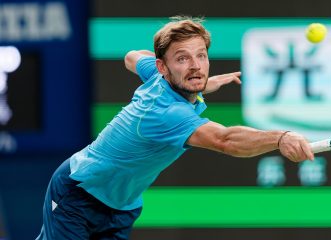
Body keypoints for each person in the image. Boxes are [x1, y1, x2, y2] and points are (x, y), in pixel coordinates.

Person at [36, 16, 314, 239]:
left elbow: (132, 57)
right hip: (78, 192)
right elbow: (225, 140)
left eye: (201, 56)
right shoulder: (165, 112)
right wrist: (281, 137)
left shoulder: (157, 74)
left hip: (122, 206)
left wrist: (202, 84)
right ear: (163, 67)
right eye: (182, 58)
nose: (196, 66)